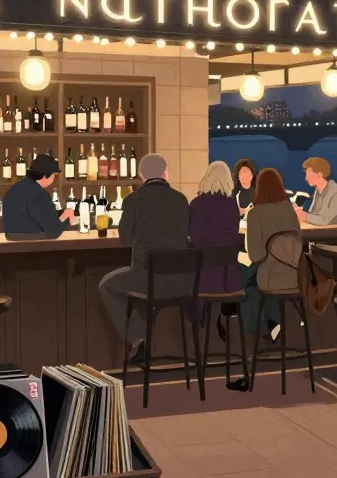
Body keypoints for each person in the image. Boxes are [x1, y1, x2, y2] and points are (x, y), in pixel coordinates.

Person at [98, 153, 191, 366]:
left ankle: (138, 338)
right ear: (166, 172)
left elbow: (125, 238)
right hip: (180, 281)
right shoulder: (180, 199)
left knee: (106, 285)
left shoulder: (133, 199)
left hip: (145, 279)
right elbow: (186, 233)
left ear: (141, 175)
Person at [240, 168, 300, 349]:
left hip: (270, 276)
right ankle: (274, 326)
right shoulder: (290, 210)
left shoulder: (256, 213)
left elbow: (255, 255)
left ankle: (251, 334)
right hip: (294, 274)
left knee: (245, 277)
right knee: (267, 275)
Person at [189, 161, 244, 343]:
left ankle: (197, 338)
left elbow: (194, 237)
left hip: (202, 277)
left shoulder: (197, 204)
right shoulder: (231, 205)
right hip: (229, 278)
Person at [2, 154, 74, 239]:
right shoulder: (40, 195)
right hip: (35, 247)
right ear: (45, 175)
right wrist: (66, 215)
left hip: (12, 246)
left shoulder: (13, 190)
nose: (54, 178)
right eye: (54, 175)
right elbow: (54, 232)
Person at [294, 157, 337, 225]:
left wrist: (303, 215)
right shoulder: (318, 191)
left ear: (320, 175)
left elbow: (324, 220)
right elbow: (314, 214)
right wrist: (299, 212)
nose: (306, 178)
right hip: (326, 231)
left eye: (309, 174)